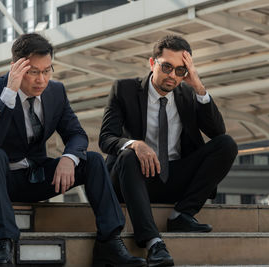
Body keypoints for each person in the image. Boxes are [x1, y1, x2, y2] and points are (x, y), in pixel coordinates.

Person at [0, 33, 147, 267]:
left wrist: (69, 158)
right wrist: (9, 93)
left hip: (34, 177)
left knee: (92, 160)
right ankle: (3, 243)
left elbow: (76, 134)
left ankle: (109, 242)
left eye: (47, 70)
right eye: (33, 72)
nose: (42, 80)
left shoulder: (55, 92)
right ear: (15, 68)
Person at [99, 35, 238, 267]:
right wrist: (134, 144)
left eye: (181, 70)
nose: (172, 75)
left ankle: (182, 215)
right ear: (152, 63)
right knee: (128, 154)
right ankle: (153, 242)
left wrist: (198, 86)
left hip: (173, 177)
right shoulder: (124, 89)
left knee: (227, 145)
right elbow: (106, 138)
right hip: (131, 179)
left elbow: (217, 131)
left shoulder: (188, 94)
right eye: (167, 67)